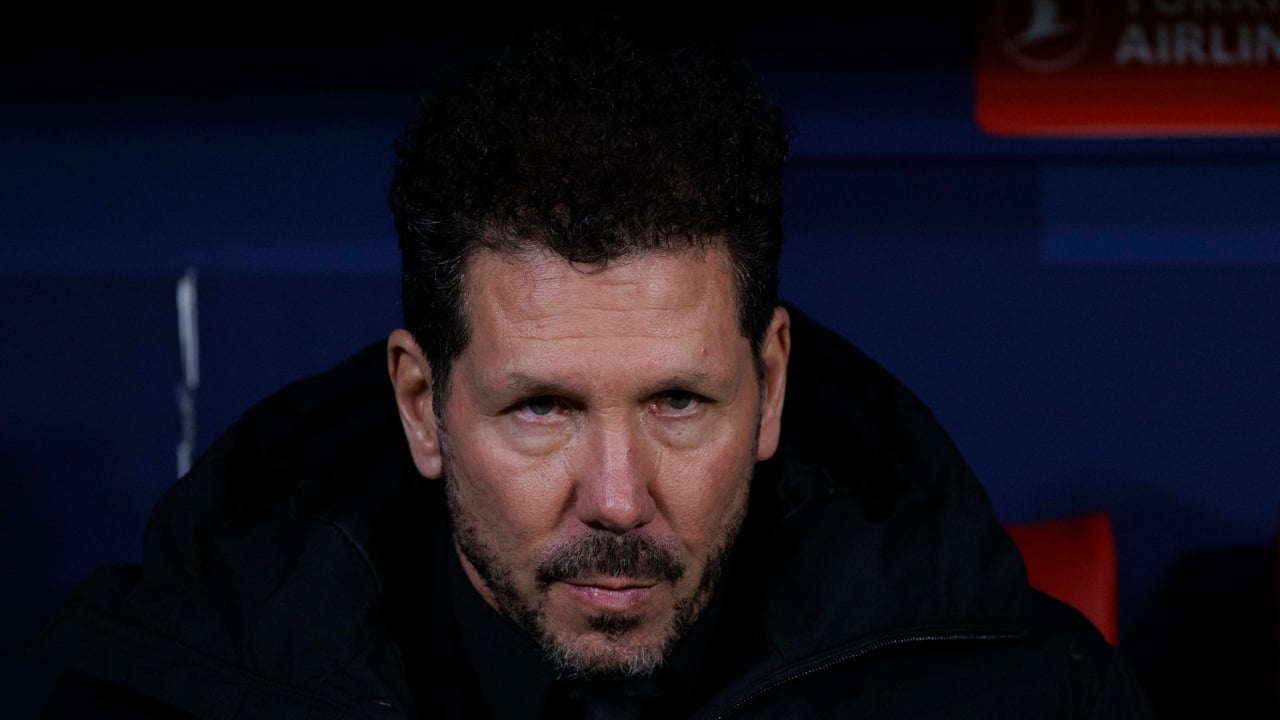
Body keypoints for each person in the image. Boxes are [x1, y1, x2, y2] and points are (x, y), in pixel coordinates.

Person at [36, 21, 1154, 719]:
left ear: (769, 385)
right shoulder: (172, 697)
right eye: (541, 409)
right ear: (422, 408)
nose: (617, 499)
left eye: (678, 402)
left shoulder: (1026, 700)